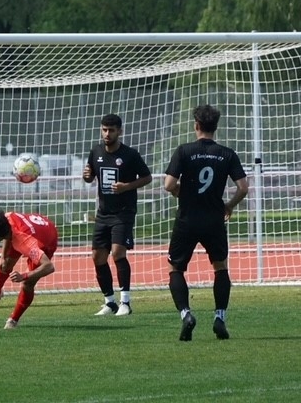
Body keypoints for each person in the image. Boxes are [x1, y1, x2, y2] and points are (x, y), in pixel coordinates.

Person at [164, 104, 248, 341]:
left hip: (187, 219)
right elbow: (243, 187)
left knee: (175, 268)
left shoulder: (184, 151)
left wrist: (182, 192)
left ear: (196, 125)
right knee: (220, 267)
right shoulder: (227, 154)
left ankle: (186, 314)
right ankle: (219, 317)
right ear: (215, 127)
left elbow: (169, 185)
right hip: (214, 219)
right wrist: (229, 205)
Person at [83, 114, 152, 316]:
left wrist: (127, 187)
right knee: (97, 257)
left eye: (111, 130)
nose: (107, 134)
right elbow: (89, 176)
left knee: (117, 253)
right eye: (104, 130)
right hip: (103, 213)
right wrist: (86, 176)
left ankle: (125, 303)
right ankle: (109, 302)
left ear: (119, 131)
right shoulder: (95, 152)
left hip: (124, 213)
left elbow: (147, 177)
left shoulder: (130, 154)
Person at [0, 208, 58, 329]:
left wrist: (23, 276)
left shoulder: (25, 243)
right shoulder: (7, 217)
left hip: (46, 240)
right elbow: (7, 235)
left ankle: (13, 320)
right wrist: (3, 257)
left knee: (28, 283)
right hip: (31, 229)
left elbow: (49, 267)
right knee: (4, 265)